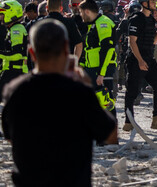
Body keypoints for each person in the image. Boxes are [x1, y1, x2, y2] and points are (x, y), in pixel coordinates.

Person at [2, 19, 117, 186]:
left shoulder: (15, 91)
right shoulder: (80, 91)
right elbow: (110, 135)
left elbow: (11, 137)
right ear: (65, 50)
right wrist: (86, 86)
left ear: (31, 53)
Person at [124, 0, 157, 131]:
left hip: (149, 59)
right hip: (136, 60)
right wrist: (139, 60)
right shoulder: (136, 18)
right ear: (144, 3)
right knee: (132, 92)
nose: (154, 4)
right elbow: (132, 42)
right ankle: (128, 122)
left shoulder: (152, 19)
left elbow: (153, 42)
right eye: (152, 1)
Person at [80, 0, 118, 112]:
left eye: (81, 12)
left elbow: (107, 49)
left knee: (106, 102)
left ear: (87, 11)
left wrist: (101, 73)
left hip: (102, 69)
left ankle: (111, 127)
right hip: (92, 68)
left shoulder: (103, 23)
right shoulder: (92, 24)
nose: (81, 15)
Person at [0, 0, 29, 95]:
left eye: (2, 14)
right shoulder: (12, 29)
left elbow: (17, 54)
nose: (0, 17)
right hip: (11, 71)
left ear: (10, 14)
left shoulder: (17, 30)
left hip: (15, 72)